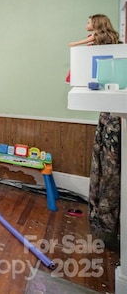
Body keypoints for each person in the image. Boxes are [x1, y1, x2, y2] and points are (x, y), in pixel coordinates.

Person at [84, 14, 121, 251]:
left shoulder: (103, 46)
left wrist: (86, 41)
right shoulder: (112, 42)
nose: (86, 24)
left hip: (113, 116)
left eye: (89, 22)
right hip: (109, 115)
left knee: (108, 170)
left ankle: (106, 228)